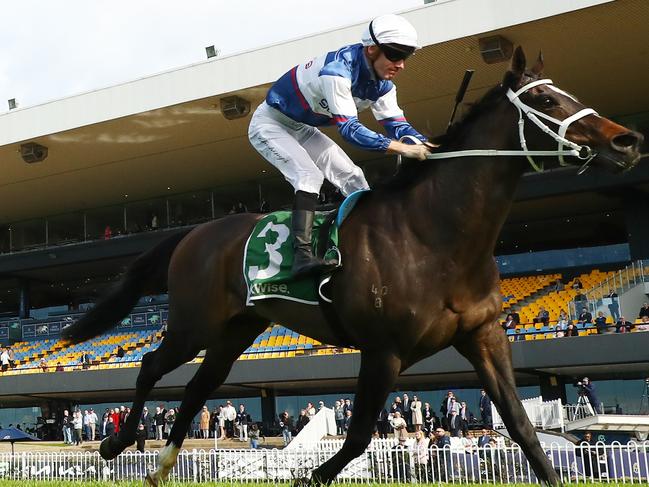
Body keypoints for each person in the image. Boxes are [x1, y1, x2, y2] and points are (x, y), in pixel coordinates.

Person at [248, 14, 432, 278]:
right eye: (395, 55)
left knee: (354, 177)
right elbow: (350, 130)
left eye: (406, 56)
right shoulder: (337, 70)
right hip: (270, 124)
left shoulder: (383, 85)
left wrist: (426, 144)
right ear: (372, 49)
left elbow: (398, 127)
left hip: (301, 127)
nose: (401, 64)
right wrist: (402, 149)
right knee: (309, 174)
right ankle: (302, 257)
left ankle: (373, 246)